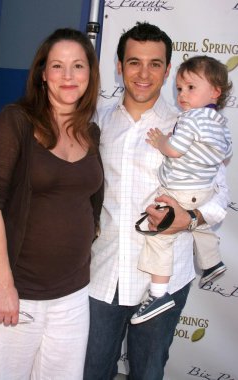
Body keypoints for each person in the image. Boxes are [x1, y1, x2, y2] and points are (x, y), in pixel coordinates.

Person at [83, 22, 229, 380]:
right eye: (134, 62)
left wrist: (190, 219)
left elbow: (219, 199)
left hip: (163, 282)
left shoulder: (189, 125)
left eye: (155, 64)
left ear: (167, 69)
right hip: (104, 273)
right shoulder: (96, 122)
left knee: (148, 373)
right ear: (119, 66)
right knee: (91, 371)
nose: (144, 73)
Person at [0, 27, 103, 379]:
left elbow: (89, 204)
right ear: (42, 74)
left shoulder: (91, 133)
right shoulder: (15, 121)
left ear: (90, 75)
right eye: (57, 66)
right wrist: (4, 286)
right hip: (19, 292)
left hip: (73, 295)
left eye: (78, 66)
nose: (68, 76)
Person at [131, 55, 232, 324]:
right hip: (203, 190)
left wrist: (161, 140)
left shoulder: (190, 119)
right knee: (200, 225)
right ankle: (212, 263)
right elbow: (226, 154)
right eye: (178, 89)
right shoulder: (220, 123)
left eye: (190, 88)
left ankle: (158, 294)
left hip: (182, 191)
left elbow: (174, 150)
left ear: (215, 91)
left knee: (159, 234)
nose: (182, 96)